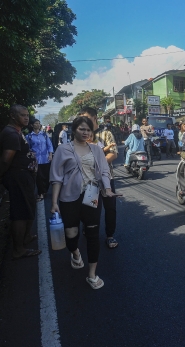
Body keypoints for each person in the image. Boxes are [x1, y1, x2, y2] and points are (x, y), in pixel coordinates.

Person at [50, 116, 121, 289]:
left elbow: (104, 171)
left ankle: (92, 274)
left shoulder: (96, 149)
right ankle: (75, 253)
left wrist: (107, 189)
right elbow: (57, 178)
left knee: (92, 234)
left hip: (91, 195)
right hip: (68, 197)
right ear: (74, 130)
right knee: (71, 234)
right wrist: (54, 202)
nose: (85, 132)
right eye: (82, 129)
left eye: (88, 130)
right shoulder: (63, 150)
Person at [0, 105, 41, 260]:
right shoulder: (11, 134)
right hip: (18, 177)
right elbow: (6, 159)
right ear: (13, 116)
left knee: (28, 208)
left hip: (24, 177)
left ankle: (26, 237)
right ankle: (18, 249)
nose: (26, 118)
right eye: (22, 115)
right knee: (20, 213)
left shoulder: (17, 132)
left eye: (27, 115)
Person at [79, 106, 120, 249]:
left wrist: (97, 163)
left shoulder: (106, 134)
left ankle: (110, 235)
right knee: (90, 207)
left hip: (107, 178)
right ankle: (88, 228)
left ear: (94, 118)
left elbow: (113, 153)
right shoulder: (82, 134)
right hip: (90, 180)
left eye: (86, 118)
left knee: (110, 208)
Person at [27, 119, 54, 201]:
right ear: (32, 125)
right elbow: (27, 148)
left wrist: (50, 155)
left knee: (46, 177)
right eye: (36, 123)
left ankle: (45, 191)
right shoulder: (29, 136)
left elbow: (49, 145)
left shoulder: (44, 135)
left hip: (45, 159)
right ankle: (41, 193)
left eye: (39, 123)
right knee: (39, 177)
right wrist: (30, 155)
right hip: (36, 160)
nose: (38, 125)